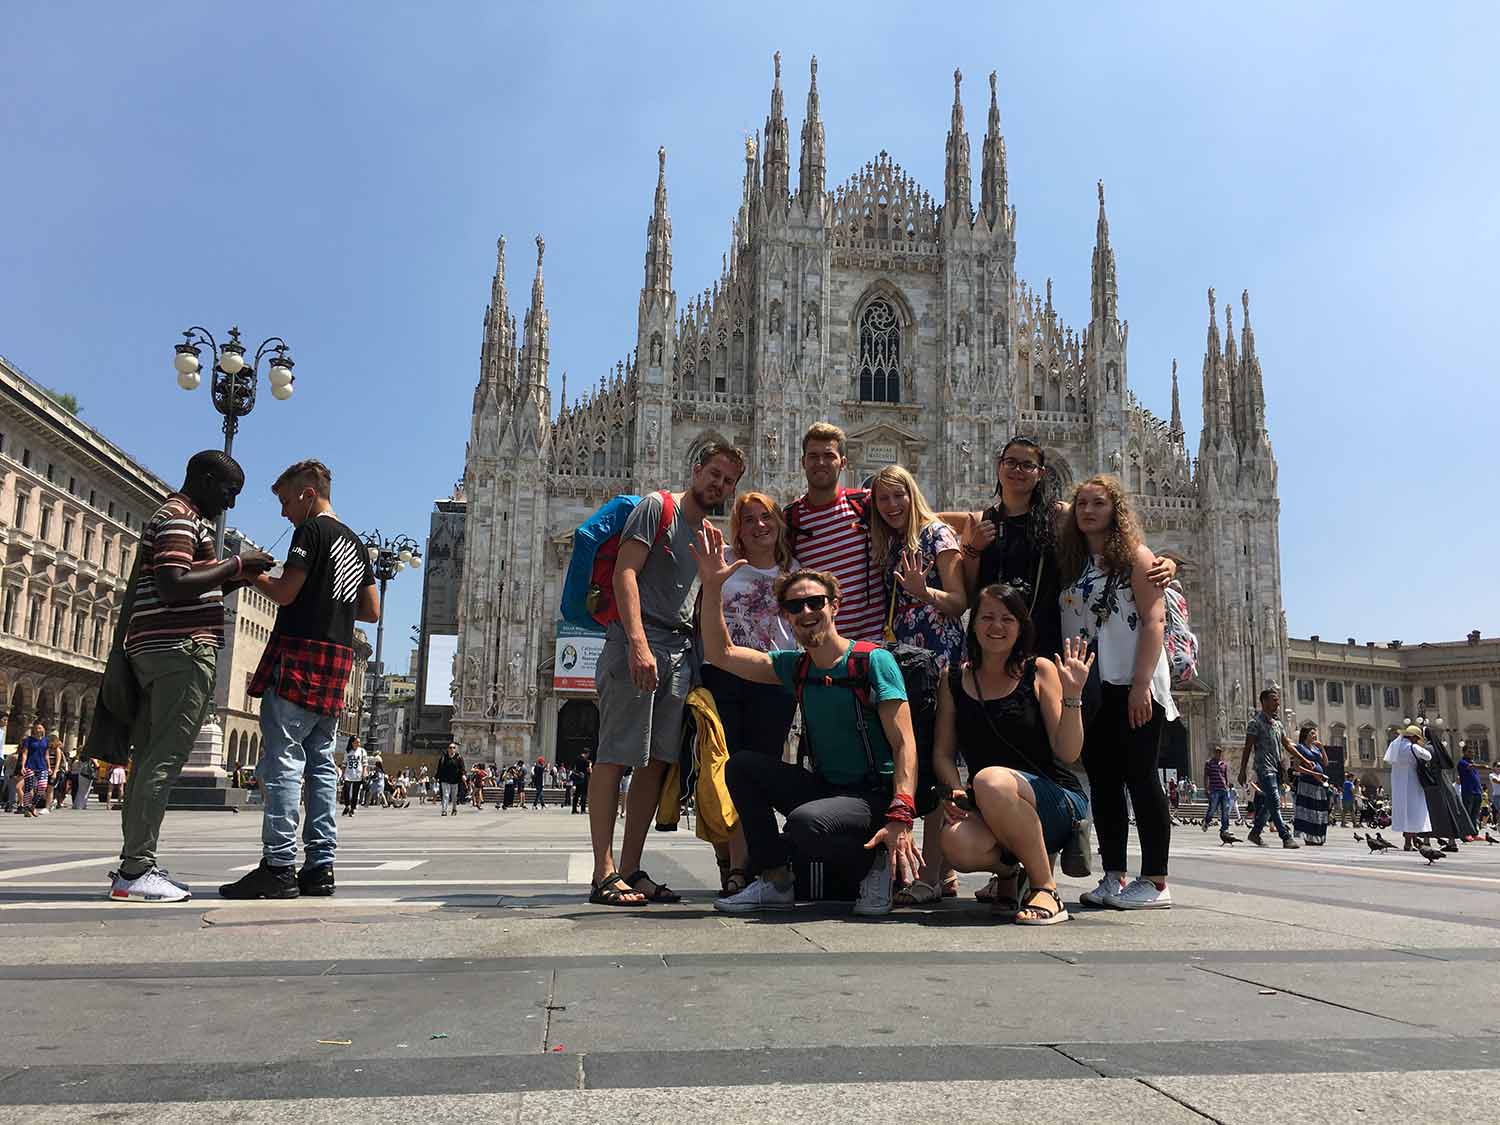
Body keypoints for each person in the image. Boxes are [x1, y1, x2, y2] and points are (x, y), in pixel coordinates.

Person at [694, 526, 922, 916]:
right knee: (742, 766)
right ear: (786, 615)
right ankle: (775, 879)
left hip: (872, 795)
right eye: (795, 607)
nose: (806, 613)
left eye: (815, 602)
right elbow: (721, 654)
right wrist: (713, 586)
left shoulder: (872, 661)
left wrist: (901, 812)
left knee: (805, 824)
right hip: (827, 788)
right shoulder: (795, 668)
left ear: (835, 606)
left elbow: (904, 744)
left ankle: (877, 864)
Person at [110, 451, 273, 902]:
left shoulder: (174, 517)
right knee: (163, 761)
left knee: (149, 760)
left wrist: (238, 577)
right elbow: (172, 583)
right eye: (228, 491)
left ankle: (134, 865)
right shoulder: (181, 519)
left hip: (158, 648)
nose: (231, 503)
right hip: (178, 651)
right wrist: (236, 564)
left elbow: (191, 584)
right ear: (204, 479)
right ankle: (136, 869)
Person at [586, 442, 744, 906]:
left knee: (655, 762)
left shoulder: (707, 533)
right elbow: (625, 574)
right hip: (638, 641)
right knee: (614, 755)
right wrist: (636, 642)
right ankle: (603, 872)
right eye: (714, 474)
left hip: (679, 651)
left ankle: (631, 868)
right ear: (696, 469)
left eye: (729, 481)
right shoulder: (658, 507)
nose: (719, 485)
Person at [221, 460, 380, 900]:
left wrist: (247, 573)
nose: (284, 512)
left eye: (287, 502)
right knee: (322, 766)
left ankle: (277, 866)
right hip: (336, 661)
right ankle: (320, 867)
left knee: (284, 762)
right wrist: (329, 599)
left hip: (300, 656)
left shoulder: (311, 531)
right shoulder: (355, 542)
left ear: (309, 495)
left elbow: (285, 592)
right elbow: (371, 611)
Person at [934, 584, 1092, 924]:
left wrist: (1073, 695)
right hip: (990, 801)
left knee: (990, 780)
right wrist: (955, 791)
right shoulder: (953, 679)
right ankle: (1009, 873)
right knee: (955, 842)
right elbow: (943, 753)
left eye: (1007, 618)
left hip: (1054, 800)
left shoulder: (1039, 670)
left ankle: (1045, 888)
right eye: (987, 617)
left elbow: (1068, 752)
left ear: (1021, 626)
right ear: (973, 624)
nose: (997, 626)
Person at [1059, 475, 1180, 909]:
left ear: (1116, 511)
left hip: (1133, 683)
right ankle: (1114, 875)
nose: (1089, 511)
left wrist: (1141, 684)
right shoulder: (1075, 561)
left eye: (1099, 503)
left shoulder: (1136, 557)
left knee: (1141, 777)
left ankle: (1157, 881)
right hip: (1092, 685)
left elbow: (1153, 620)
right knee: (1105, 781)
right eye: (1082, 504)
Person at [955, 438, 1179, 669]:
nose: (1018, 470)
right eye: (1010, 462)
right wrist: (973, 549)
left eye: (1027, 465)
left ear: (1040, 473)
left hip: (1048, 643)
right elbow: (969, 595)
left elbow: (1112, 537)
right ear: (999, 465)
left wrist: (1162, 562)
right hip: (993, 641)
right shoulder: (981, 523)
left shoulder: (1062, 516)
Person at [867, 464, 967, 906]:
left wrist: (923, 591)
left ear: (913, 494)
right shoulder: (893, 543)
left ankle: (929, 876)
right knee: (920, 756)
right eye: (883, 498)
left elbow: (960, 600)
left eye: (898, 495)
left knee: (936, 758)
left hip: (939, 657)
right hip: (906, 656)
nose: (892, 505)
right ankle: (943, 872)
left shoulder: (936, 534)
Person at [699, 491, 799, 896]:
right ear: (737, 529)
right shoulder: (723, 561)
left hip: (772, 679)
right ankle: (738, 863)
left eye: (766, 517)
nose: (759, 526)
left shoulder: (794, 571)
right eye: (748, 519)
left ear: (779, 523)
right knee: (726, 770)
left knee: (758, 771)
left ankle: (747, 864)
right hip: (723, 674)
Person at [783, 423, 885, 643]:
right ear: (803, 462)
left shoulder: (866, 504)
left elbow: (915, 516)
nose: (821, 462)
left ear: (843, 463)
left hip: (873, 643)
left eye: (829, 455)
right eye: (813, 456)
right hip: (821, 646)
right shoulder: (791, 519)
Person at [1237, 687, 1302, 849]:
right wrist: (1242, 770)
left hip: (1277, 768)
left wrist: (1303, 759)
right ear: (1264, 702)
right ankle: (1285, 836)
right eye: (1274, 700)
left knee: (1269, 803)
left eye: (1278, 700)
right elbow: (1247, 748)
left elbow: (1287, 745)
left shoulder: (1278, 724)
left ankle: (1255, 832)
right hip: (1263, 768)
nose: (1278, 703)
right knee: (1274, 799)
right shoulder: (1254, 723)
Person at [1421, 718, 1474, 849]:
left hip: (1431, 784)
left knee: (1429, 811)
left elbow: (1423, 766)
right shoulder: (1438, 748)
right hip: (1444, 782)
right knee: (1450, 811)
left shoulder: (1426, 748)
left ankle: (1426, 840)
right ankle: (1452, 842)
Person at [1384, 725, 1432, 848]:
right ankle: (1408, 843)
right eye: (1417, 738)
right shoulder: (1413, 747)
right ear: (1413, 737)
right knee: (1413, 812)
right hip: (1412, 782)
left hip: (1398, 783)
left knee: (1404, 812)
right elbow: (1428, 756)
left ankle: (1412, 841)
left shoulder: (1394, 746)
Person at [1290, 723, 1332, 846]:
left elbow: (1325, 763)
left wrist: (1322, 748)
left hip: (1319, 784)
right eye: (1312, 733)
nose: (1315, 735)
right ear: (1305, 735)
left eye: (1315, 733)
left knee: (1319, 810)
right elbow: (1296, 767)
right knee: (1308, 811)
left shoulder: (1316, 749)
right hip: (1307, 784)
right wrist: (1314, 773)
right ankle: (1309, 837)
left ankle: (1318, 836)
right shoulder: (1300, 748)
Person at [20, 722, 51, 818]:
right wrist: (23, 766)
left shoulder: (46, 741)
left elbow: (46, 755)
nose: (38, 730)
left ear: (43, 729)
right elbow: (25, 753)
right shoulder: (28, 740)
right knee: (28, 788)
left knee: (42, 787)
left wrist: (49, 767)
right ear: (33, 730)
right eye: (37, 728)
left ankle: (33, 806)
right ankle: (27, 809)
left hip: (42, 766)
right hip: (30, 765)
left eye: (40, 728)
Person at [1201, 745, 1233, 834]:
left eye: (1219, 752)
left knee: (1225, 810)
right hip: (1214, 789)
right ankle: (1206, 821)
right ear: (1214, 753)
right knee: (1212, 809)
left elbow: (1225, 776)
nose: (1218, 754)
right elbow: (1206, 776)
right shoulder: (1209, 763)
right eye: (1216, 752)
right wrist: (1206, 789)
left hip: (1224, 790)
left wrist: (1227, 786)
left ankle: (1225, 829)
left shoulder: (1224, 764)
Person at [340, 736, 367, 816]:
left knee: (355, 792)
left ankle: (353, 808)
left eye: (359, 742)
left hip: (358, 774)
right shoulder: (348, 751)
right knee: (346, 790)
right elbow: (344, 763)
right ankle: (347, 806)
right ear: (352, 743)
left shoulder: (362, 751)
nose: (358, 744)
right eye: (356, 742)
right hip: (348, 774)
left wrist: (364, 773)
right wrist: (343, 774)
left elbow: (365, 763)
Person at [436, 743, 464, 815]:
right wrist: (436, 777)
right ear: (448, 749)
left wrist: (463, 775)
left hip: (455, 780)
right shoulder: (443, 758)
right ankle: (444, 810)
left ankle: (454, 809)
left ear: (455, 749)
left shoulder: (459, 758)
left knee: (454, 796)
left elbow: (462, 768)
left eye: (453, 748)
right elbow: (439, 769)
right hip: (445, 779)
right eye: (450, 747)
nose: (452, 749)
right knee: (445, 795)